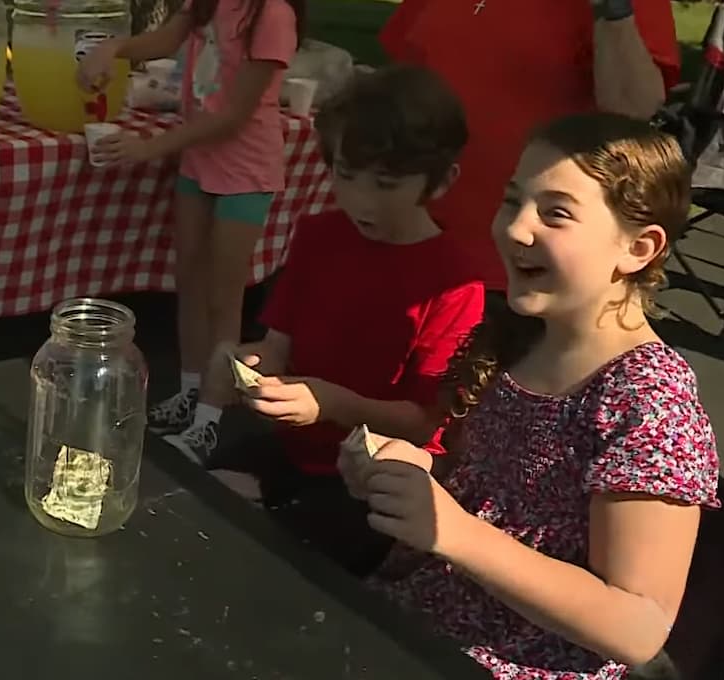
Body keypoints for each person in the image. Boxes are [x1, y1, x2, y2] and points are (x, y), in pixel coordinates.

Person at [339, 114, 720, 680]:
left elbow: (638, 624)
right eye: (514, 200)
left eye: (556, 213)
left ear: (638, 248)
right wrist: (415, 474)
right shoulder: (518, 336)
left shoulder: (648, 398)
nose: (515, 227)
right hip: (405, 627)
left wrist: (455, 531)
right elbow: (502, 498)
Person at [165, 65, 485, 576]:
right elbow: (278, 346)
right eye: (345, 175)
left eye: (386, 183)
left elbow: (428, 422)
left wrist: (331, 403)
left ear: (442, 181)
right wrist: (246, 363)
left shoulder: (456, 283)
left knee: (285, 568)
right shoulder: (319, 235)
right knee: (186, 509)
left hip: (374, 475)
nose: (361, 199)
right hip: (292, 450)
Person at [77, 0, 305, 435]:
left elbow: (233, 116)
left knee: (223, 296)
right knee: (190, 282)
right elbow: (166, 37)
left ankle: (213, 418)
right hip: (198, 164)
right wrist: (114, 48)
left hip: (246, 171)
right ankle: (191, 390)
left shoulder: (272, 14)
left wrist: (150, 147)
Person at [379, 0, 680, 301]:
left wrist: (611, 9)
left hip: (524, 263)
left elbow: (632, 109)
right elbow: (405, 75)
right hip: (412, 239)